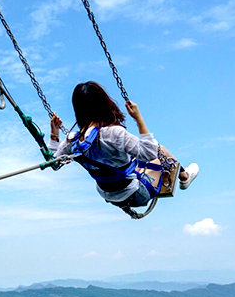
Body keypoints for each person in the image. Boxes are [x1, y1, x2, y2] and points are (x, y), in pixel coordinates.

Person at [48, 81, 199, 210]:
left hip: (110, 196)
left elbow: (54, 163)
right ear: (104, 103)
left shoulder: (72, 140)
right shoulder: (114, 133)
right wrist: (138, 118)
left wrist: (54, 133)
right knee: (159, 149)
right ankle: (184, 176)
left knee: (129, 163)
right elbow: (149, 152)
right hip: (136, 194)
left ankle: (181, 175)